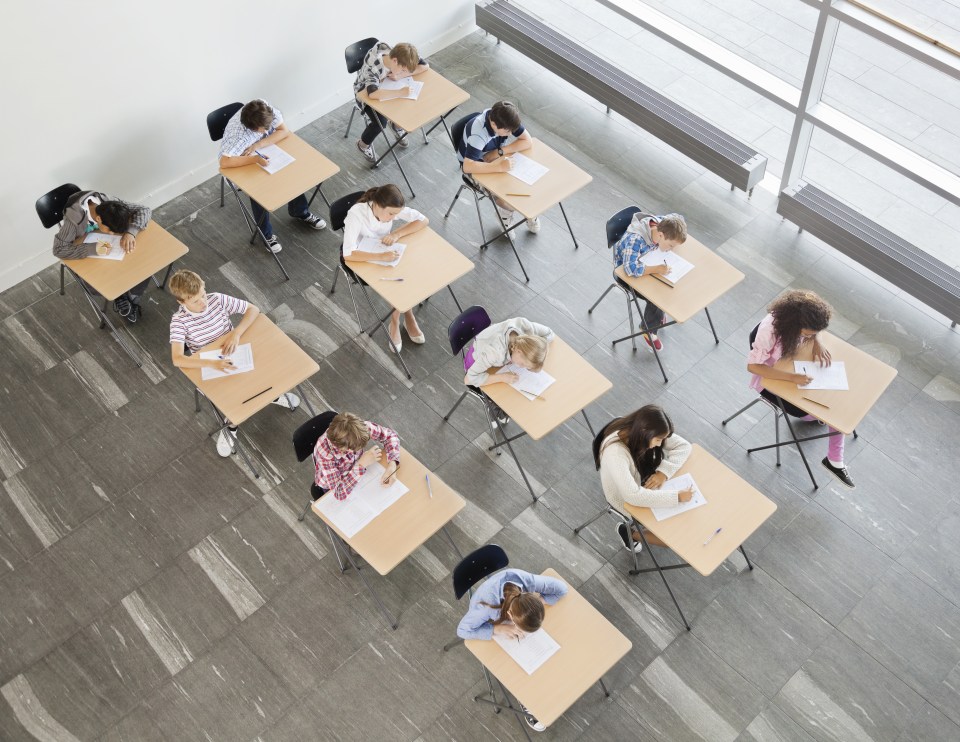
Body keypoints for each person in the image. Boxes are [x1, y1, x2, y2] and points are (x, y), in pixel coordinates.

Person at [168, 270, 299, 457]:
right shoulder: (179, 322)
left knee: (265, 370)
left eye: (203, 295)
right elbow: (178, 359)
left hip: (235, 351)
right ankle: (231, 426)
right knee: (235, 398)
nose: (204, 303)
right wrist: (212, 364)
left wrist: (236, 333)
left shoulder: (216, 300)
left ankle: (271, 395)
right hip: (208, 366)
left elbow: (253, 310)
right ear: (182, 302)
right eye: (196, 301)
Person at [747, 289, 854, 488]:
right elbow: (753, 366)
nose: (811, 336)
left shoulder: (806, 305)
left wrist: (817, 342)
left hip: (794, 363)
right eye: (808, 333)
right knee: (828, 411)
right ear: (794, 324)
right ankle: (832, 456)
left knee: (835, 405)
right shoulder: (768, 332)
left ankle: (834, 459)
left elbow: (816, 329)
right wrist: (792, 377)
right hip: (773, 380)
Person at [457, 567, 567, 732]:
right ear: (510, 615)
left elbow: (561, 589)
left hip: (508, 612)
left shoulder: (526, 581)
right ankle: (526, 699)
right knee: (515, 670)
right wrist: (498, 629)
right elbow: (462, 631)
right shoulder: (486, 608)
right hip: (490, 623)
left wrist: (541, 601)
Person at [218, 99, 327, 254]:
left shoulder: (265, 109)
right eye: (264, 129)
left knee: (290, 173)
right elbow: (224, 162)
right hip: (240, 162)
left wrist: (258, 145)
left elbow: (283, 131)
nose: (268, 130)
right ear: (254, 129)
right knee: (259, 193)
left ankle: (300, 211)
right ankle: (266, 234)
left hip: (263, 152)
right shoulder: (238, 136)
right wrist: (255, 159)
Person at [342, 184, 428, 350]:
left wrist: (396, 234)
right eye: (390, 214)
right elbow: (348, 255)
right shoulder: (356, 215)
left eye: (396, 214)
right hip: (360, 257)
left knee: (406, 272)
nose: (393, 218)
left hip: (382, 249)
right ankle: (397, 320)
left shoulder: (390, 208)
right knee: (396, 281)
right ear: (377, 204)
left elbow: (423, 220)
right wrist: (380, 257)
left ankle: (406, 313)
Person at [596, 405, 693, 552]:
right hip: (626, 498)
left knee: (682, 521)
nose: (660, 444)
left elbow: (684, 446)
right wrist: (676, 497)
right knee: (672, 538)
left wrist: (663, 473)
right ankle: (631, 534)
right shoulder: (615, 454)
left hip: (642, 479)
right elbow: (632, 496)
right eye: (659, 439)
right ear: (644, 432)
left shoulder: (639, 429)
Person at [52, 189, 153, 323]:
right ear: (98, 218)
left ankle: (130, 298)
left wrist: (131, 233)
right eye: (110, 230)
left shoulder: (110, 202)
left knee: (144, 266)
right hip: (87, 255)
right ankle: (120, 296)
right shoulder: (73, 220)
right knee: (101, 284)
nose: (112, 234)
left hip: (110, 253)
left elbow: (144, 210)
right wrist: (92, 248)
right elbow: (58, 249)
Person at [457, 101, 539, 233]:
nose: (510, 134)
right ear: (493, 124)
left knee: (525, 186)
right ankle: (507, 213)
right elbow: (467, 167)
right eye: (507, 131)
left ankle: (528, 212)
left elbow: (527, 140)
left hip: (495, 158)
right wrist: (499, 167)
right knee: (503, 196)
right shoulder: (478, 133)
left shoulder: (506, 118)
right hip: (476, 166)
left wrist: (499, 151)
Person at [611, 212, 688, 350]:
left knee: (666, 286)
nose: (671, 249)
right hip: (626, 272)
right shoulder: (636, 240)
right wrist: (656, 269)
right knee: (657, 296)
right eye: (670, 245)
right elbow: (630, 269)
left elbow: (679, 217)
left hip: (647, 259)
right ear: (660, 235)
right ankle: (648, 329)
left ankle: (657, 316)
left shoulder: (662, 223)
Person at [463, 316, 553, 425]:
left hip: (494, 360)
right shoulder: (495, 352)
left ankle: (500, 410)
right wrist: (502, 377)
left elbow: (549, 334)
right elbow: (468, 379)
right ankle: (495, 408)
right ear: (519, 351)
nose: (522, 367)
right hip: (475, 363)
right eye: (522, 364)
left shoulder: (526, 328)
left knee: (512, 393)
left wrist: (537, 354)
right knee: (506, 396)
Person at [353, 41, 429, 162]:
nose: (405, 72)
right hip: (365, 94)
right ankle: (363, 145)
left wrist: (400, 76)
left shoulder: (403, 54)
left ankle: (396, 126)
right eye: (403, 70)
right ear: (394, 61)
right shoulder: (373, 67)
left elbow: (425, 66)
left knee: (406, 105)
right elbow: (372, 94)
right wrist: (400, 92)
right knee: (380, 123)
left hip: (387, 85)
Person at [312, 412, 400, 500]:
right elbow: (339, 493)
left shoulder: (358, 429)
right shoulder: (324, 453)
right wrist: (361, 465)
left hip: (357, 472)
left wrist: (392, 464)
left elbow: (390, 436)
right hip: (333, 484)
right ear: (342, 448)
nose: (358, 451)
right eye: (354, 450)